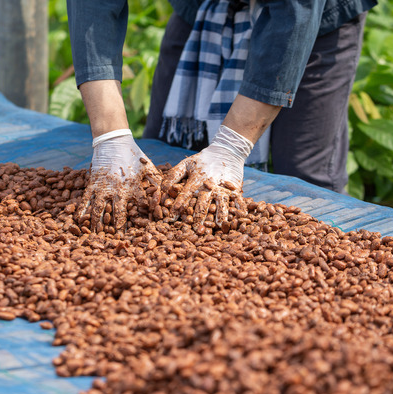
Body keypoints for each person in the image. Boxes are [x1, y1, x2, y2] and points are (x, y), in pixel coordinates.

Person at [68, 0, 376, 232]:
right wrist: (111, 135)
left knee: (304, 184)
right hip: (203, 7)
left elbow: (294, 9)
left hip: (312, 15)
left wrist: (232, 144)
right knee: (164, 163)